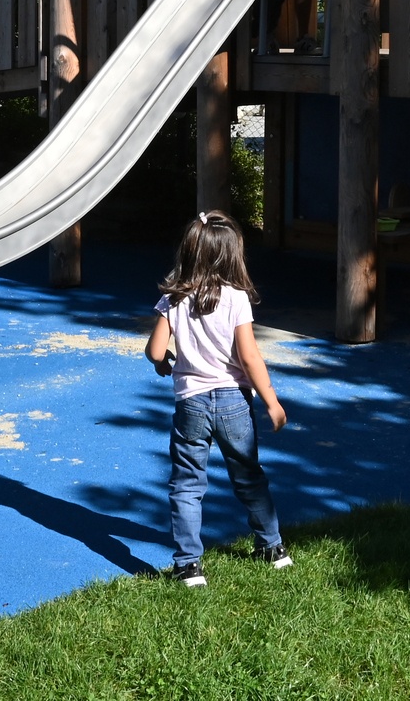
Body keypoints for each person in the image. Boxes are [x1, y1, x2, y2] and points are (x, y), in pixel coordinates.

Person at [145, 211, 291, 587]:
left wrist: (166, 365)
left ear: (189, 252)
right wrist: (271, 400)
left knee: (187, 484)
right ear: (231, 255)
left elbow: (155, 351)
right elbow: (249, 356)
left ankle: (188, 566)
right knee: (247, 475)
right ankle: (273, 548)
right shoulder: (236, 298)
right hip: (233, 402)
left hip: (190, 402)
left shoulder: (173, 298)